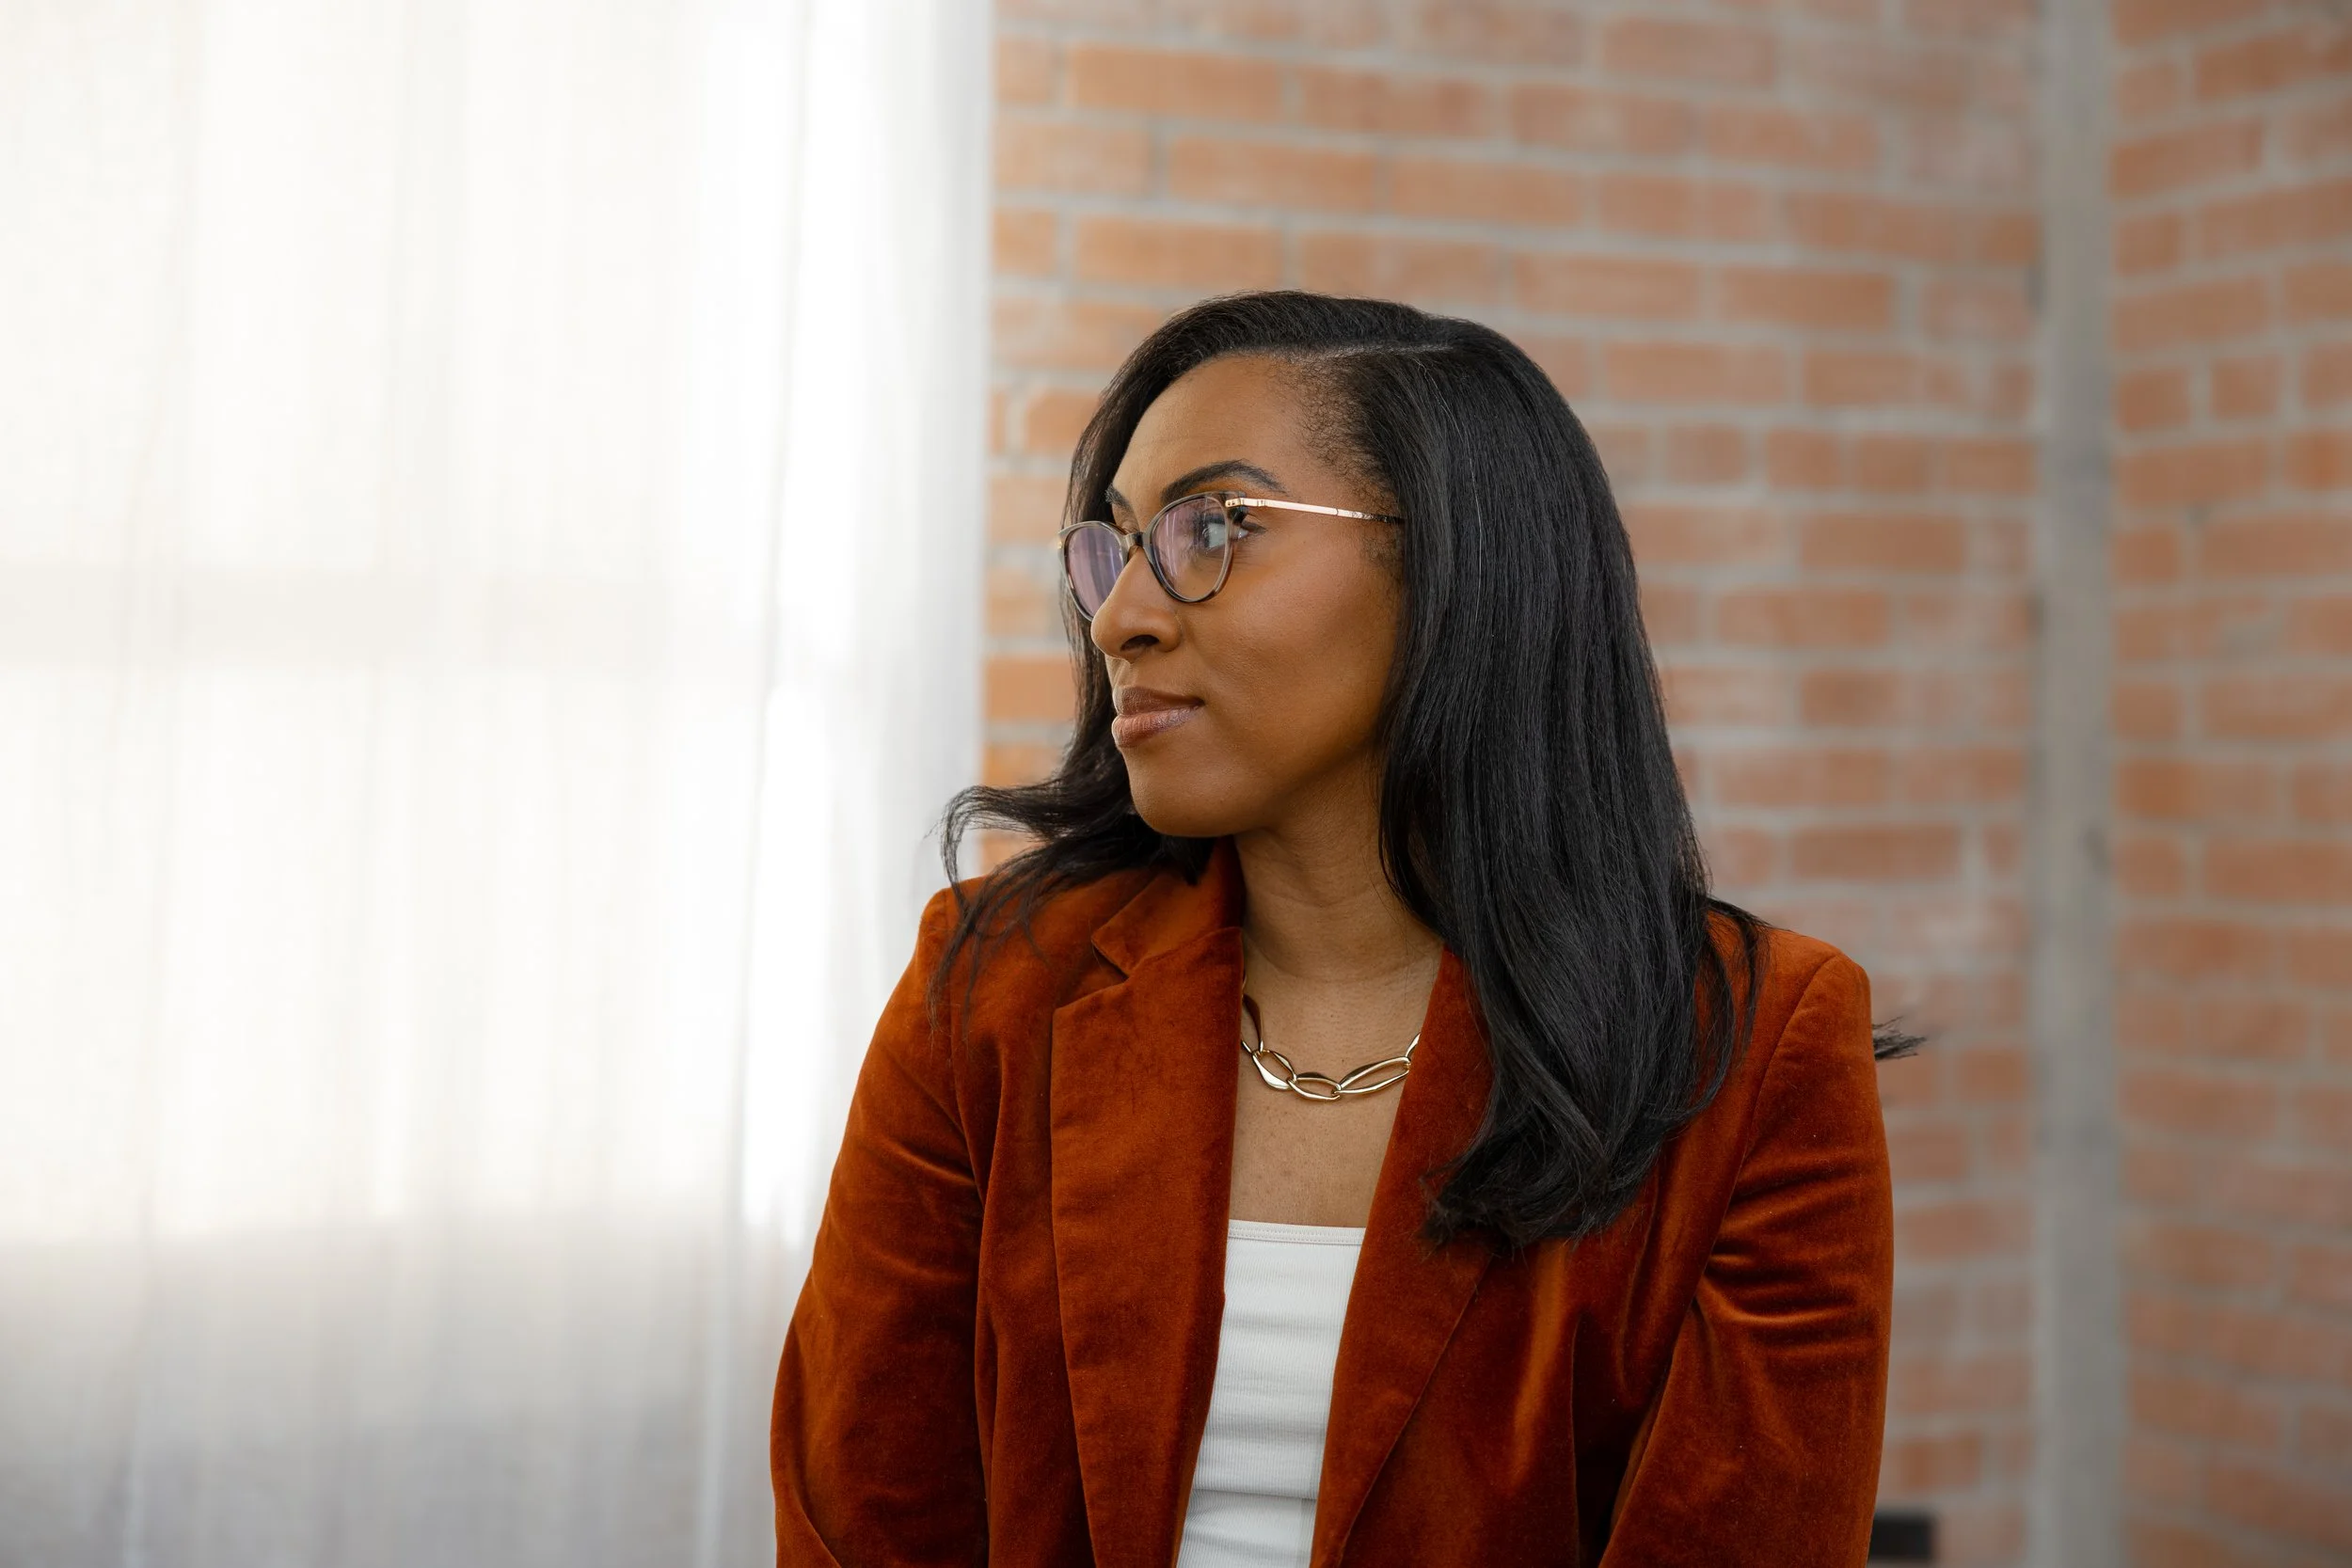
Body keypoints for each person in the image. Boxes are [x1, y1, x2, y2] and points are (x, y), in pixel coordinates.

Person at [771, 292, 1904, 1567]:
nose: (1120, 617)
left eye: (1214, 528)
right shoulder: (989, 991)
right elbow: (862, 1528)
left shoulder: (1750, 1057)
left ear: (1451, 563)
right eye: (1117, 549)